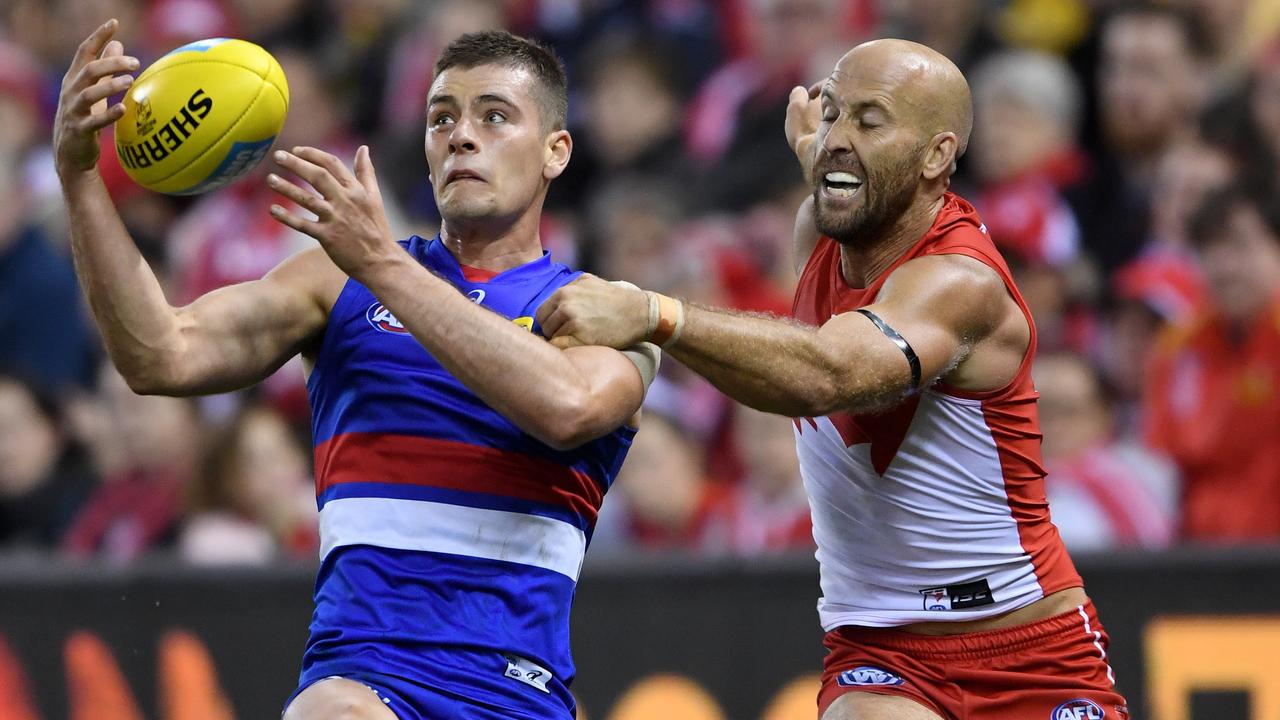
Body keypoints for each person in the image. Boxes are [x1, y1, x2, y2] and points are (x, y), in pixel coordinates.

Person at [54, 20, 656, 720]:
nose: (461, 135)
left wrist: (383, 265)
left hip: (515, 694)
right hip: (365, 677)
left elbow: (568, 407)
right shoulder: (336, 285)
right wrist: (80, 176)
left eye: (494, 116)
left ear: (556, 152)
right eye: (442, 118)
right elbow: (158, 353)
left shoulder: (598, 310)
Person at [537, 38, 1128, 720]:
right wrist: (846, 162)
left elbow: (831, 371)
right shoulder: (818, 234)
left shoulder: (961, 282)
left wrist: (653, 313)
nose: (836, 138)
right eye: (833, 115)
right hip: (880, 653)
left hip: (1028, 644)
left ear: (937, 156)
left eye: (869, 122)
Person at [1143, 184, 1280, 542]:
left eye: (1239, 246)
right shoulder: (1178, 347)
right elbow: (1162, 463)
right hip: (1201, 565)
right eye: (1208, 249)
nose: (1223, 266)